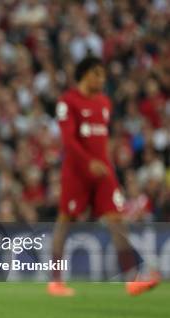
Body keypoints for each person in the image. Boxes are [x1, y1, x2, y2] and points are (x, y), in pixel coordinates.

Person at [48, 56, 160, 297]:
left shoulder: (104, 103)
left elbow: (100, 139)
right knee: (65, 221)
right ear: (85, 74)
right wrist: (90, 163)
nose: (102, 78)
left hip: (103, 172)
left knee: (117, 220)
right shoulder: (67, 102)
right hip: (77, 172)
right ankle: (55, 280)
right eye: (97, 73)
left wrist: (107, 159)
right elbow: (69, 141)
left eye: (103, 74)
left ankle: (132, 278)